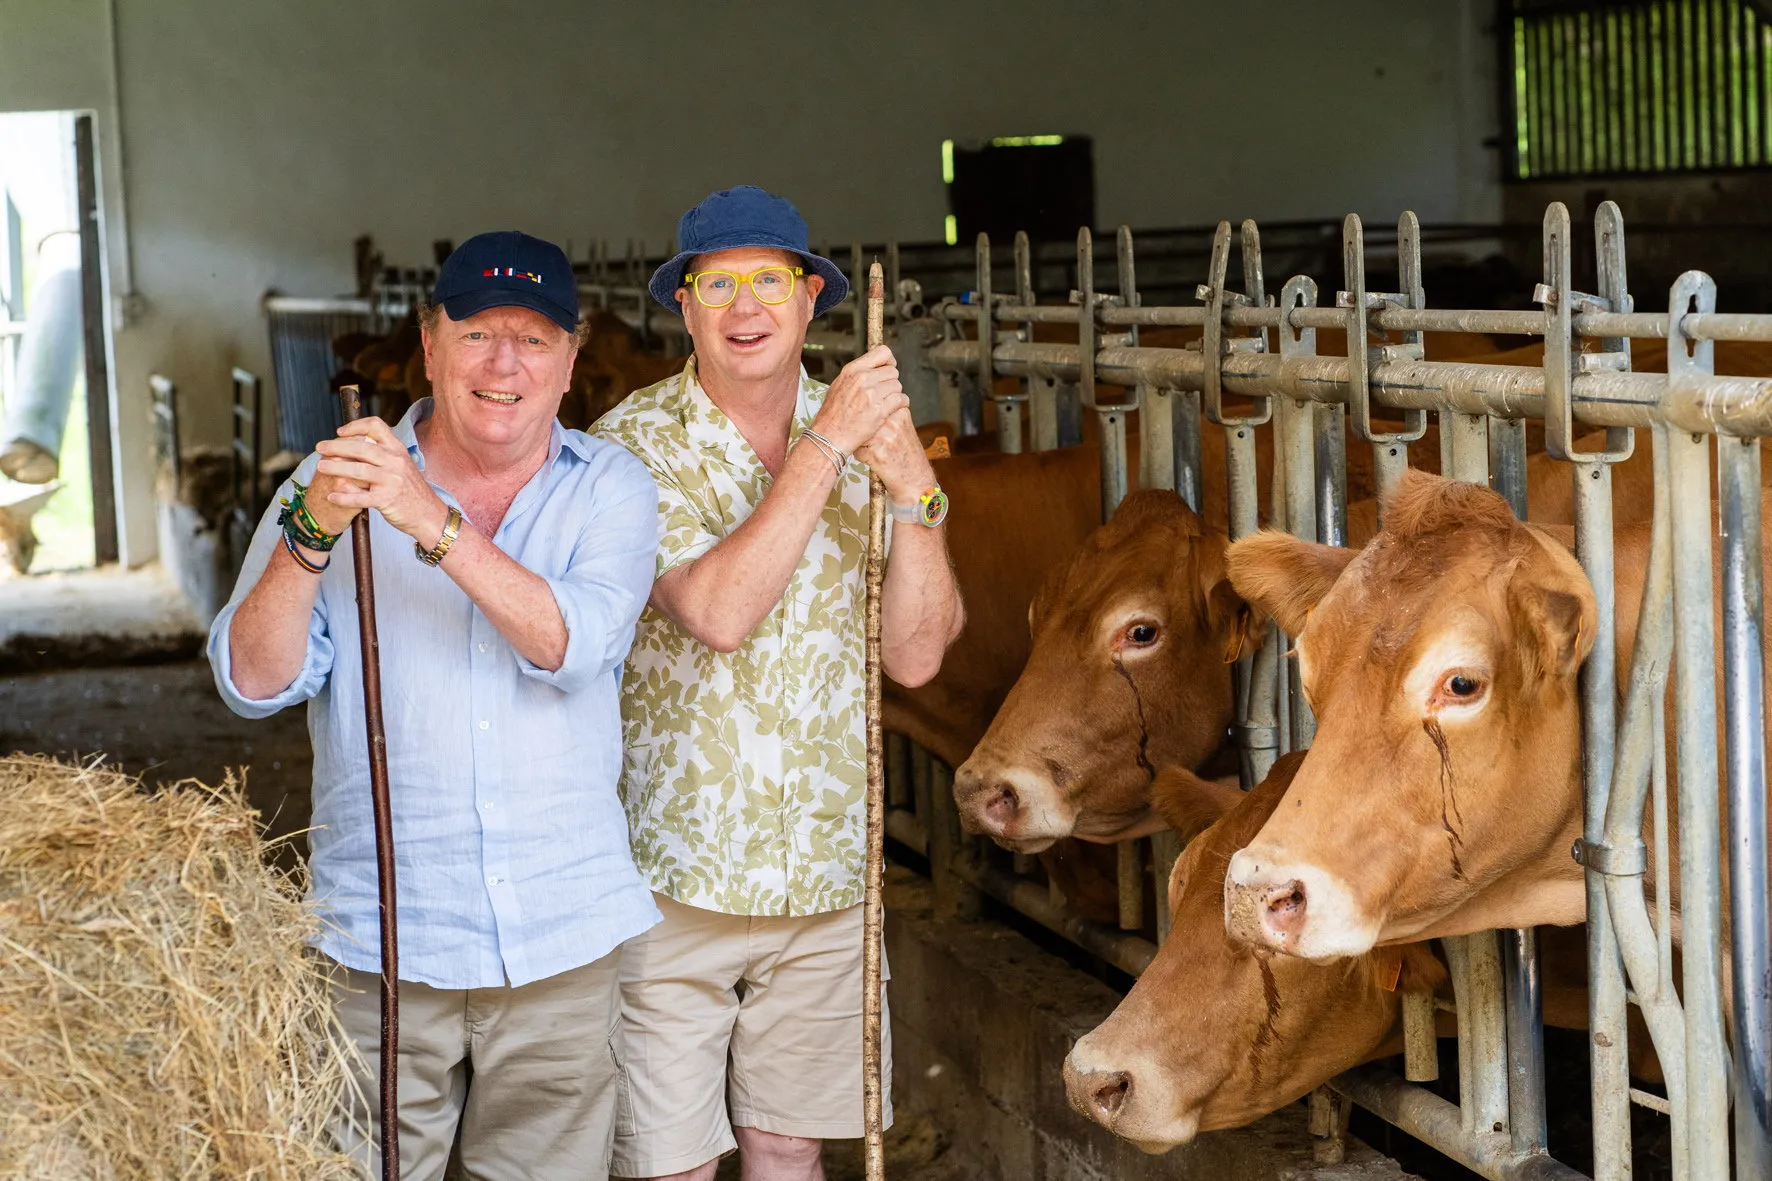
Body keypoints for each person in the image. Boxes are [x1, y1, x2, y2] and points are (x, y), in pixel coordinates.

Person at [207, 230, 660, 1180]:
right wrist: (309, 535)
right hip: (379, 944)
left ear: (572, 359)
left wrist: (425, 516)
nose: (505, 363)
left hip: (559, 944)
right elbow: (250, 683)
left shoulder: (610, 489)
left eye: (534, 338)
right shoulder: (323, 489)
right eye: (478, 332)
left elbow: (571, 645)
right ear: (429, 343)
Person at [592, 186, 965, 1181]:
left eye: (768, 279)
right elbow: (715, 611)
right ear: (683, 305)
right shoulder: (631, 446)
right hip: (670, 872)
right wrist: (829, 449)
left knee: (790, 1145)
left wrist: (913, 495)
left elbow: (919, 655)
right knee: (669, 1160)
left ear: (810, 300)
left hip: (827, 867)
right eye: (716, 282)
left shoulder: (868, 435)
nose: (743, 305)